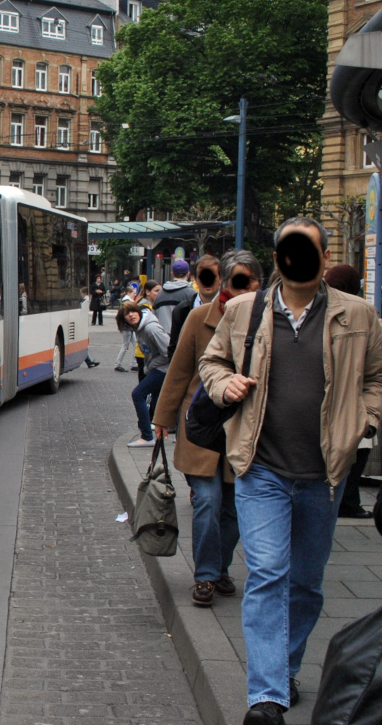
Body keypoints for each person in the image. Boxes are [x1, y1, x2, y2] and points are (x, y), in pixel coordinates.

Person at [199, 217, 382, 724]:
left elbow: (377, 379)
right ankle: (267, 698)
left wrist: (364, 421)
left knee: (305, 582)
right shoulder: (242, 311)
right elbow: (210, 364)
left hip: (325, 475)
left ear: (325, 258)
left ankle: (286, 666)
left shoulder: (360, 316)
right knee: (267, 574)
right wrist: (224, 385)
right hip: (261, 469)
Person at [152, 250, 261, 608]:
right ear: (225, 284)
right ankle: (206, 575)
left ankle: (221, 568)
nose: (242, 288)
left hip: (239, 428)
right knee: (208, 501)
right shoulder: (200, 317)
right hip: (200, 425)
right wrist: (162, 418)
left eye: (249, 281)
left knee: (231, 507)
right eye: (236, 281)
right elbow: (180, 370)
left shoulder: (266, 321)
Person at [324, 263, 374, 519]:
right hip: (353, 404)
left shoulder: (320, 310)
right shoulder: (365, 313)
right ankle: (348, 501)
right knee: (357, 454)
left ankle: (344, 500)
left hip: (335, 406)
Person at [123, 299, 171, 449]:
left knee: (138, 394)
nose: (131, 315)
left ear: (138, 312)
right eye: (127, 313)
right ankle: (157, 429)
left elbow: (168, 352)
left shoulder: (150, 328)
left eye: (133, 311)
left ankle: (147, 436)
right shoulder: (140, 328)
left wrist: (149, 367)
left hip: (164, 368)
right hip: (160, 367)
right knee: (157, 398)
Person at [168, 254, 222, 360]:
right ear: (195, 280)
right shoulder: (182, 310)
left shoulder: (230, 308)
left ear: (220, 279)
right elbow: (174, 349)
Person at [154, 259, 195, 332]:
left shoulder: (159, 294)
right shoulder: (191, 294)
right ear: (188, 274)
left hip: (163, 337)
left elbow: (154, 317)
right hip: (182, 338)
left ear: (172, 273)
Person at [114, 284, 139, 372]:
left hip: (127, 326)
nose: (134, 295)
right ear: (129, 293)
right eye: (133, 293)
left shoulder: (125, 301)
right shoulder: (128, 302)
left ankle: (133, 363)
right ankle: (118, 364)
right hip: (127, 327)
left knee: (134, 343)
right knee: (126, 345)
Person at [79, 287, 100, 367]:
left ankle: (89, 362)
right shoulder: (85, 300)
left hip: (82, 325)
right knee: (83, 345)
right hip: (82, 325)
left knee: (83, 345)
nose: (81, 294)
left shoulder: (85, 301)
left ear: (84, 293)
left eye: (81, 293)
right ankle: (89, 362)